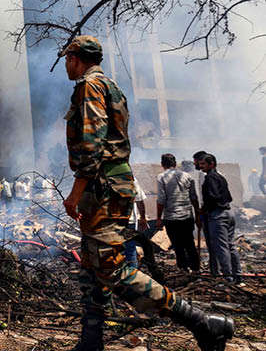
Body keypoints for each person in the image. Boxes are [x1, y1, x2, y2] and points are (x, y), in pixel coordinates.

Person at [60, 35, 232, 351]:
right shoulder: (112, 87)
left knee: (111, 268)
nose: (66, 67)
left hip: (102, 187)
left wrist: (75, 193)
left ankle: (203, 323)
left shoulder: (90, 87)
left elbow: (91, 144)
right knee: (92, 265)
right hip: (110, 185)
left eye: (67, 60)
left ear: (74, 58)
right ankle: (91, 340)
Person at [199, 153, 242, 283]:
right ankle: (237, 275)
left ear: (211, 164)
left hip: (218, 216)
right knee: (231, 245)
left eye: (203, 164)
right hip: (228, 213)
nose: (201, 167)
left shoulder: (210, 178)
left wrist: (204, 209)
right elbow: (229, 197)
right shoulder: (220, 177)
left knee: (221, 247)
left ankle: (227, 278)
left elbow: (213, 197)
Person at [156, 153, 200, 272]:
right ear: (175, 164)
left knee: (177, 245)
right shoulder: (187, 176)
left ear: (162, 165)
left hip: (171, 218)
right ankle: (195, 269)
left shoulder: (161, 177)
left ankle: (184, 269)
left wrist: (159, 218)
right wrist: (197, 215)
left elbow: (161, 199)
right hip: (187, 216)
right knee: (189, 243)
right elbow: (194, 197)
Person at [123, 177, 148, 269]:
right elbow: (139, 200)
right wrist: (143, 218)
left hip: (112, 222)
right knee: (130, 250)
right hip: (129, 221)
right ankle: (133, 273)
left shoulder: (105, 178)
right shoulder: (131, 179)